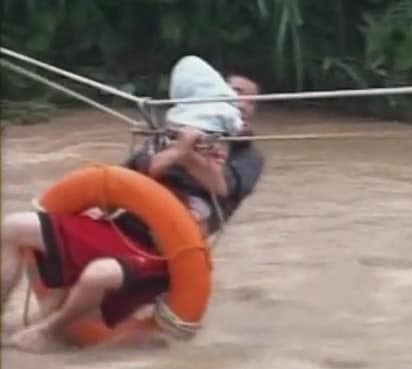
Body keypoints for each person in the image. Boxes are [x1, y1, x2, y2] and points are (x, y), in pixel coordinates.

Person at [0, 55, 265, 352]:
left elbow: (223, 187)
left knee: (98, 274)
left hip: (169, 250)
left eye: (250, 100)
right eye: (236, 93)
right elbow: (134, 173)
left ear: (254, 109)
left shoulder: (247, 157)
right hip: (123, 227)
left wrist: (191, 154)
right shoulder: (174, 129)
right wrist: (179, 149)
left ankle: (47, 331)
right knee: (12, 227)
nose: (241, 102)